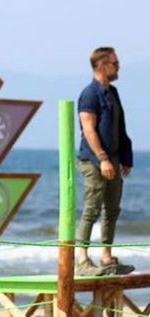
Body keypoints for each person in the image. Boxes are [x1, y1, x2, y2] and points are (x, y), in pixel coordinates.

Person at [76, 46, 135, 276]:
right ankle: (82, 259)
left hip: (113, 160)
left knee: (112, 210)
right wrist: (102, 159)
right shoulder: (89, 94)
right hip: (94, 161)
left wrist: (125, 158)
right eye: (115, 63)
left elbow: (120, 127)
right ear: (102, 66)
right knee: (91, 209)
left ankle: (107, 257)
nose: (118, 67)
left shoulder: (113, 92)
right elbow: (89, 130)